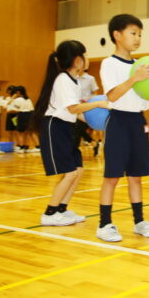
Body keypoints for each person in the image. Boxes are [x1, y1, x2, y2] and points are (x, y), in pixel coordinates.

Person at [97, 13, 149, 242]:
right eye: (133, 33)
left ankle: (139, 221)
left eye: (140, 34)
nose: (138, 38)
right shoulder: (109, 63)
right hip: (118, 121)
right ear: (117, 35)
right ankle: (104, 224)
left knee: (136, 176)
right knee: (112, 177)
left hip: (138, 121)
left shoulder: (141, 65)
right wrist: (135, 78)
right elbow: (112, 95)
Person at [32, 40, 111, 226]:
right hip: (55, 127)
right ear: (77, 60)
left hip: (66, 126)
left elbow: (76, 112)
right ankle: (49, 214)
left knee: (78, 171)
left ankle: (62, 209)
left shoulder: (73, 81)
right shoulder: (62, 80)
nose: (88, 58)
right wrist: (99, 104)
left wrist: (105, 123)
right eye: (85, 54)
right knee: (69, 173)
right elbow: (74, 108)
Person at [76, 61, 102, 157]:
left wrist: (87, 99)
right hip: (75, 108)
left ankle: (76, 151)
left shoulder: (90, 79)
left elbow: (96, 94)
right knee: (76, 129)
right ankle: (93, 144)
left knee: (79, 128)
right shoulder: (74, 78)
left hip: (87, 108)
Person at [12, 86, 39, 153]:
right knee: (30, 132)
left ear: (18, 92)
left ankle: (21, 148)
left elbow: (15, 109)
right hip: (31, 114)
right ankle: (37, 147)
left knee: (20, 132)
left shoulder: (18, 100)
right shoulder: (28, 99)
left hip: (22, 115)